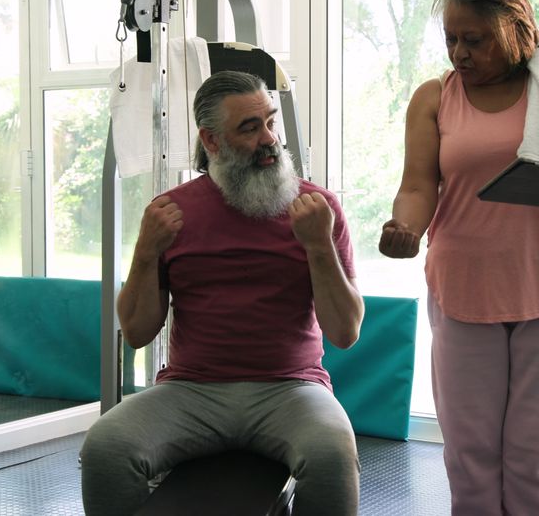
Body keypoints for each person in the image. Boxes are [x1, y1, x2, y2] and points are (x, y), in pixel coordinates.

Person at [379, 0, 539, 516]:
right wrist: (405, 228)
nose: (459, 53)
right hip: (464, 287)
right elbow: (418, 186)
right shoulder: (433, 97)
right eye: (451, 39)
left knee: (537, 454)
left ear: (515, 28)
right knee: (470, 456)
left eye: (475, 39)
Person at [80, 70, 364, 516]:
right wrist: (145, 252)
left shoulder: (317, 210)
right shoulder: (170, 213)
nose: (269, 138)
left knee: (332, 455)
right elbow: (136, 331)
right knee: (105, 448)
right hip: (193, 391)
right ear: (211, 142)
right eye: (249, 128)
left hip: (290, 388)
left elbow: (345, 332)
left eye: (270, 122)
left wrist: (318, 245)